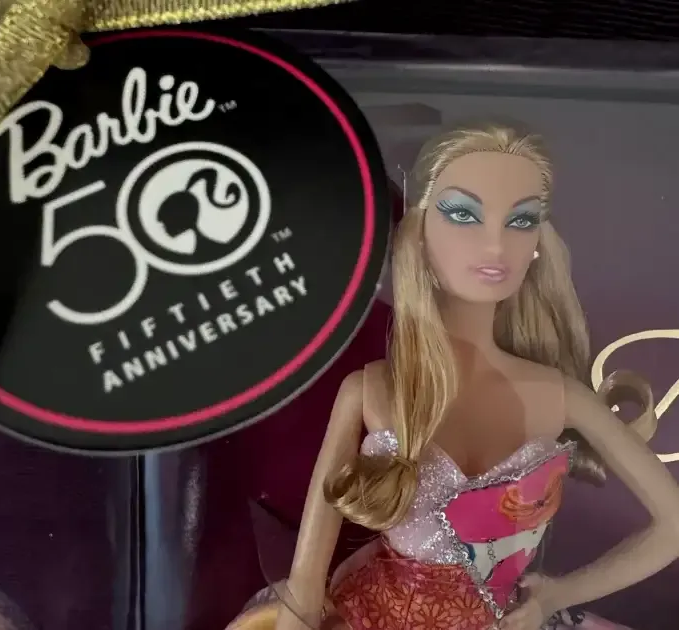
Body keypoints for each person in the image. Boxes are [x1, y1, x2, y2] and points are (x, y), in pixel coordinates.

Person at [229, 121, 679, 630]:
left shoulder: (560, 397)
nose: (495, 244)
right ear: (420, 233)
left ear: (538, 242)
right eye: (463, 214)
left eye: (521, 220)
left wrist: (557, 594)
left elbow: (673, 526)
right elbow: (305, 588)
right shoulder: (371, 390)